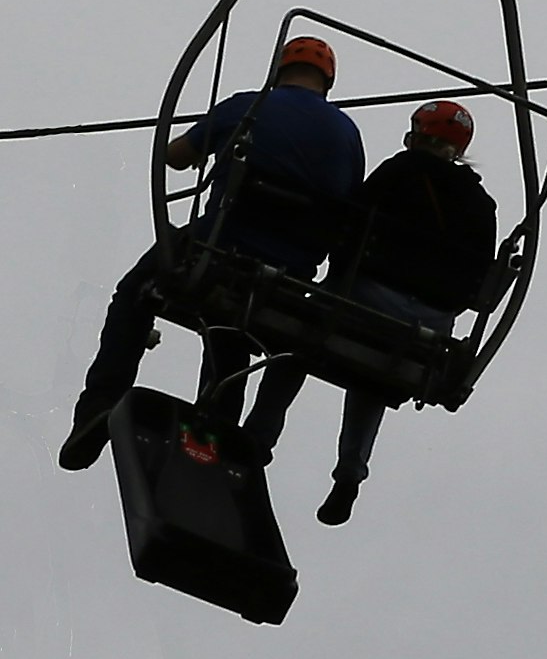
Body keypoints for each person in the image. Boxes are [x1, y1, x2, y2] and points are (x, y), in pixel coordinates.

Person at [60, 33, 364, 471]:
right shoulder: (348, 135)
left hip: (220, 249)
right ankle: (218, 428)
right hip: (290, 274)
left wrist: (209, 133)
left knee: (133, 293)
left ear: (278, 70)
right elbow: (348, 210)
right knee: (231, 333)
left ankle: (97, 407)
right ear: (329, 81)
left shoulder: (251, 105)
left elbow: (177, 157)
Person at [259, 99, 502, 526]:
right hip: (429, 324)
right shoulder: (482, 204)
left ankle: (261, 430)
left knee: (300, 333)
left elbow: (350, 221)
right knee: (374, 374)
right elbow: (477, 281)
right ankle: (350, 472)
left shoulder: (400, 171)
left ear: (418, 135)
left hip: (367, 296)